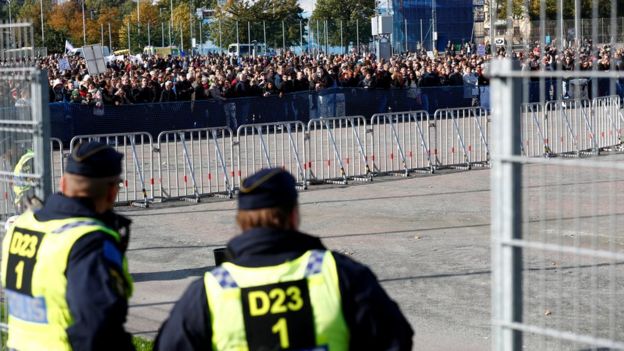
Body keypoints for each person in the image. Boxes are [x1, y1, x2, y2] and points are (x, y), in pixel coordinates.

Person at [154, 168, 413, 351]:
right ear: (293, 216)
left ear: (241, 223)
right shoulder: (340, 275)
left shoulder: (210, 291)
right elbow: (395, 339)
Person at [0, 141, 135, 351]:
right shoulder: (89, 241)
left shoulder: (22, 226)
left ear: (63, 184)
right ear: (111, 192)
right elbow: (98, 331)